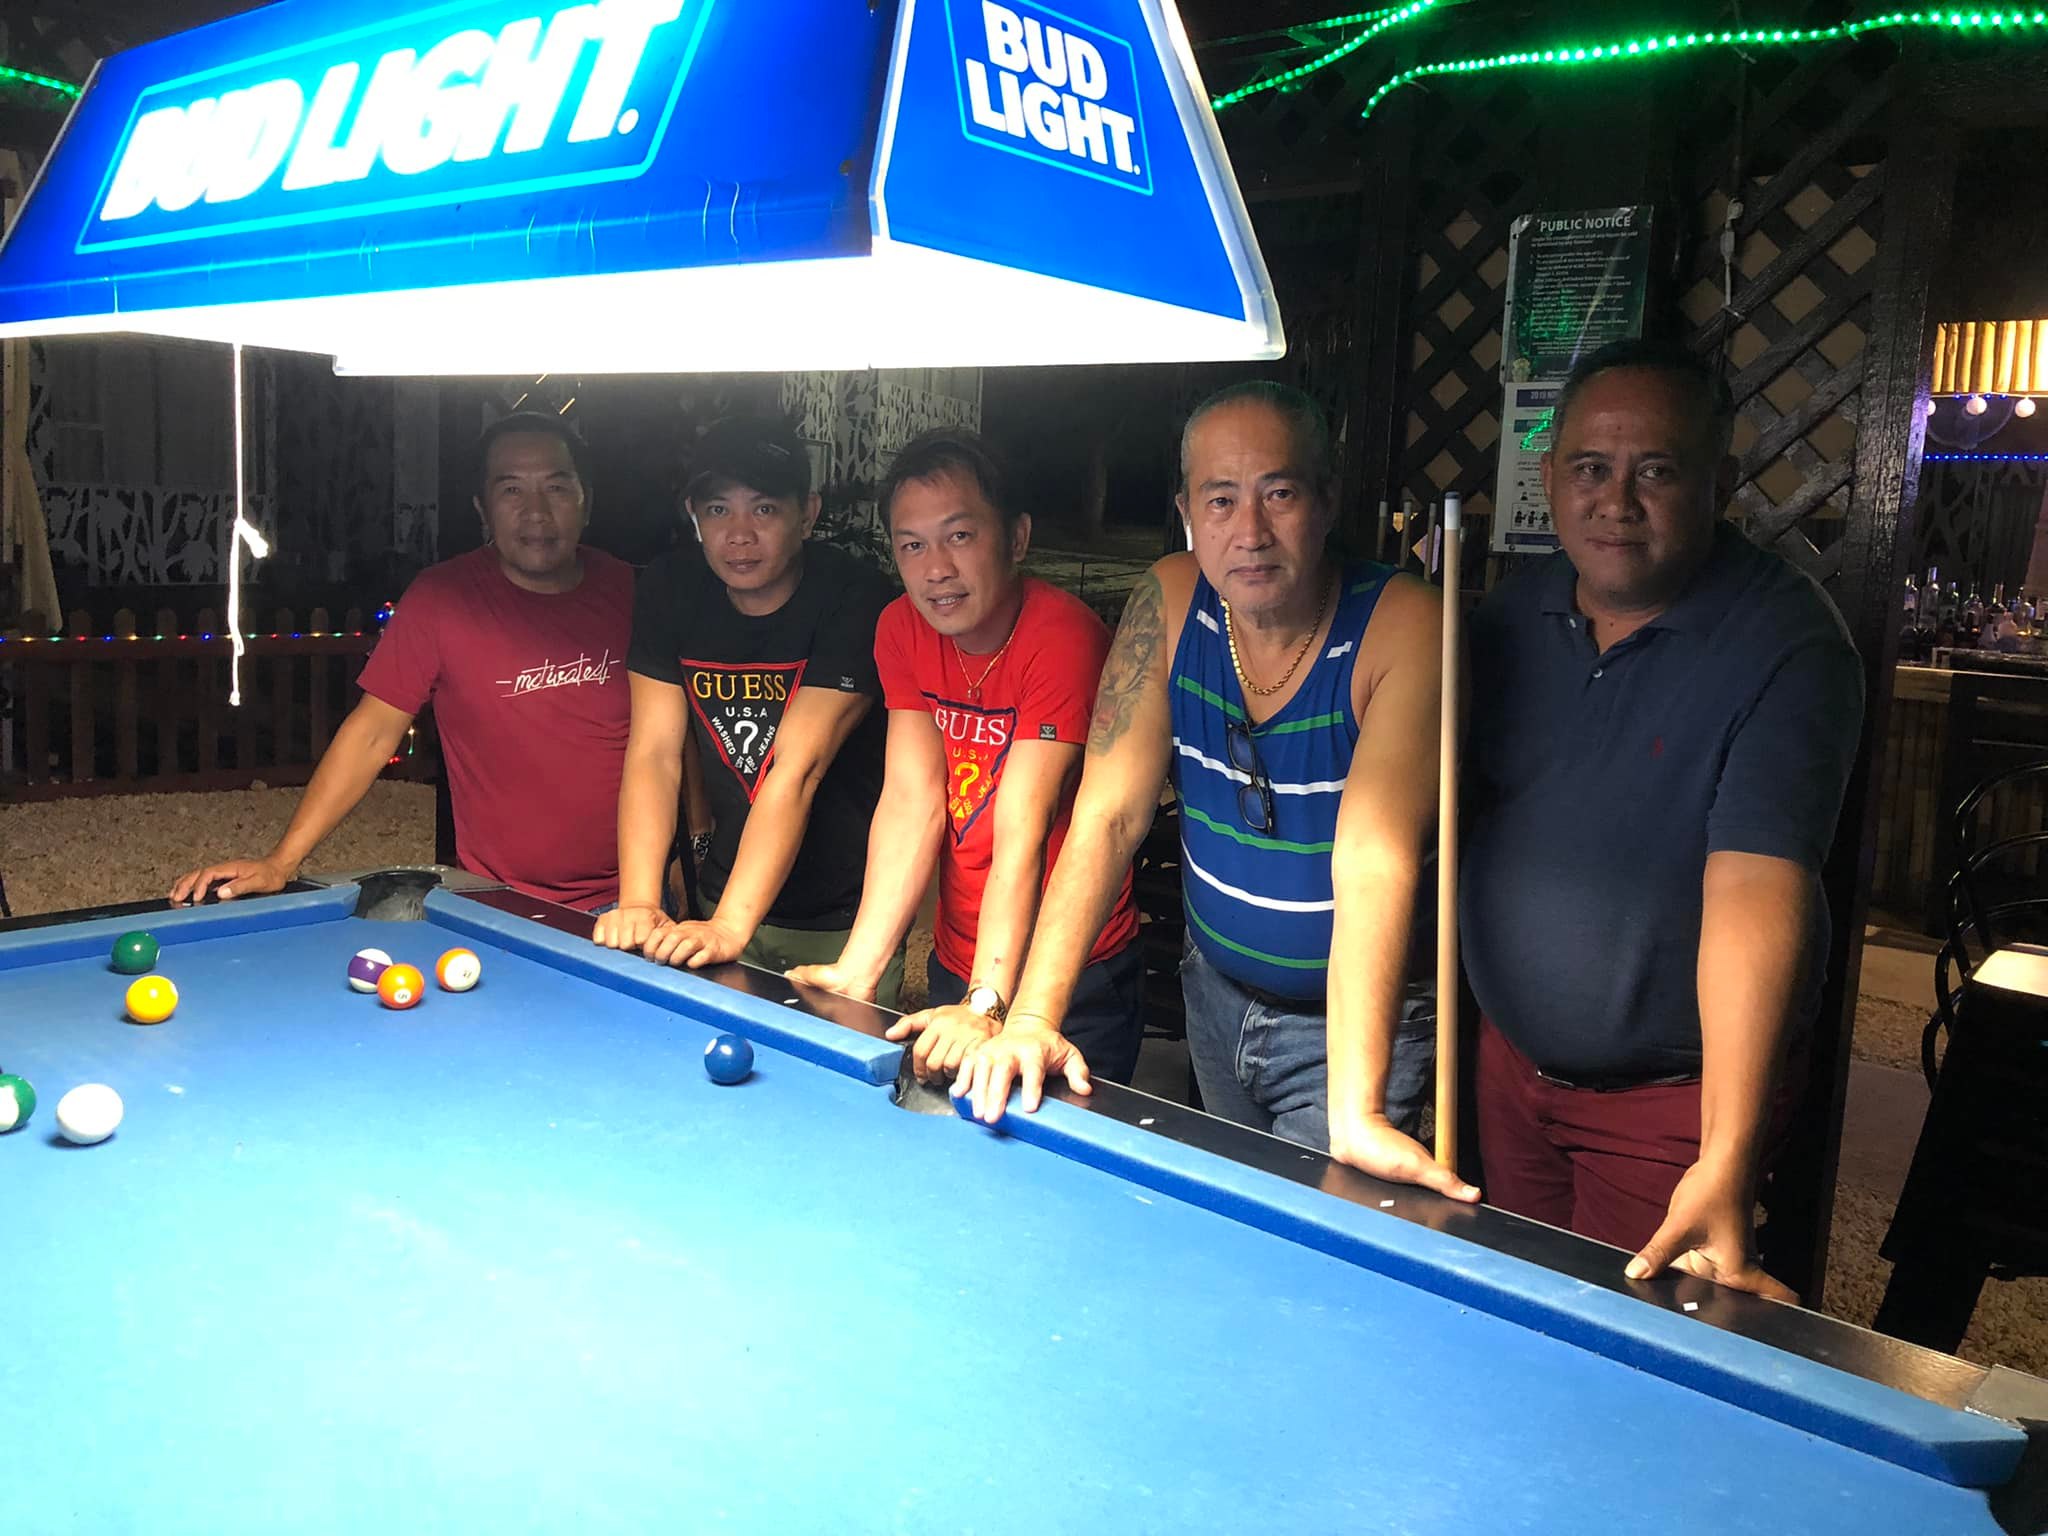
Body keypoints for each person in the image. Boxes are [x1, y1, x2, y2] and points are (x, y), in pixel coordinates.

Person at [953, 382, 1475, 1203]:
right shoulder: (1169, 599)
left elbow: (1374, 859)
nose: (1251, 531)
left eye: (1280, 492)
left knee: (1308, 1265)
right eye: (1221, 500)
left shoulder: (1404, 622)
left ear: (1327, 501)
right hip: (1216, 998)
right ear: (1187, 513)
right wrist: (1029, 1020)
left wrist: (1357, 1110)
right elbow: (1109, 814)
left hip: (1354, 1033)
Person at [1459, 338, 1863, 1298]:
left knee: (1627, 1373)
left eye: (1658, 472)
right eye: (1591, 468)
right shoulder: (1508, 619)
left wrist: (1724, 1153)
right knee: (1517, 1321)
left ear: (1719, 482)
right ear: (1551, 475)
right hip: (1510, 1071)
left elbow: (1756, 887)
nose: (1616, 500)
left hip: (1668, 1110)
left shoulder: (1789, 645)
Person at [786, 430, 1144, 1083]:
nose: (935, 569)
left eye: (960, 536)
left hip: (1069, 974)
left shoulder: (1061, 636)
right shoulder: (900, 627)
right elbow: (910, 801)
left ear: (1016, 538)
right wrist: (858, 969)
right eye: (911, 545)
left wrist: (990, 1001)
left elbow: (1022, 828)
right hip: (963, 953)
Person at [171, 414, 633, 911]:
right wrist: (282, 861)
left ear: (588, 500)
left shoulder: (630, 590)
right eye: (512, 490)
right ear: (482, 508)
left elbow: (673, 735)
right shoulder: (441, 598)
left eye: (557, 487)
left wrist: (689, 843)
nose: (537, 512)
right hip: (498, 902)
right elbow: (373, 731)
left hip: (632, 902)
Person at [596, 415, 899, 998]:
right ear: (694, 516)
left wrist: (732, 924)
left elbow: (797, 767)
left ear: (807, 513)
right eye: (717, 511)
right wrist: (639, 900)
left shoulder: (856, 597)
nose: (739, 534)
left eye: (763, 509)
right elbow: (655, 751)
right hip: (719, 895)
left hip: (843, 917)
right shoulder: (670, 588)